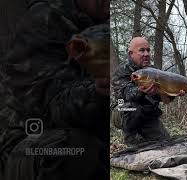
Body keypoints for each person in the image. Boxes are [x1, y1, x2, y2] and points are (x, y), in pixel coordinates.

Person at [0, 0, 108, 180]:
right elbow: (51, 109)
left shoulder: (106, 24)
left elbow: (123, 107)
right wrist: (97, 92)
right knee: (73, 149)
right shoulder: (43, 20)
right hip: (28, 137)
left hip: (96, 131)